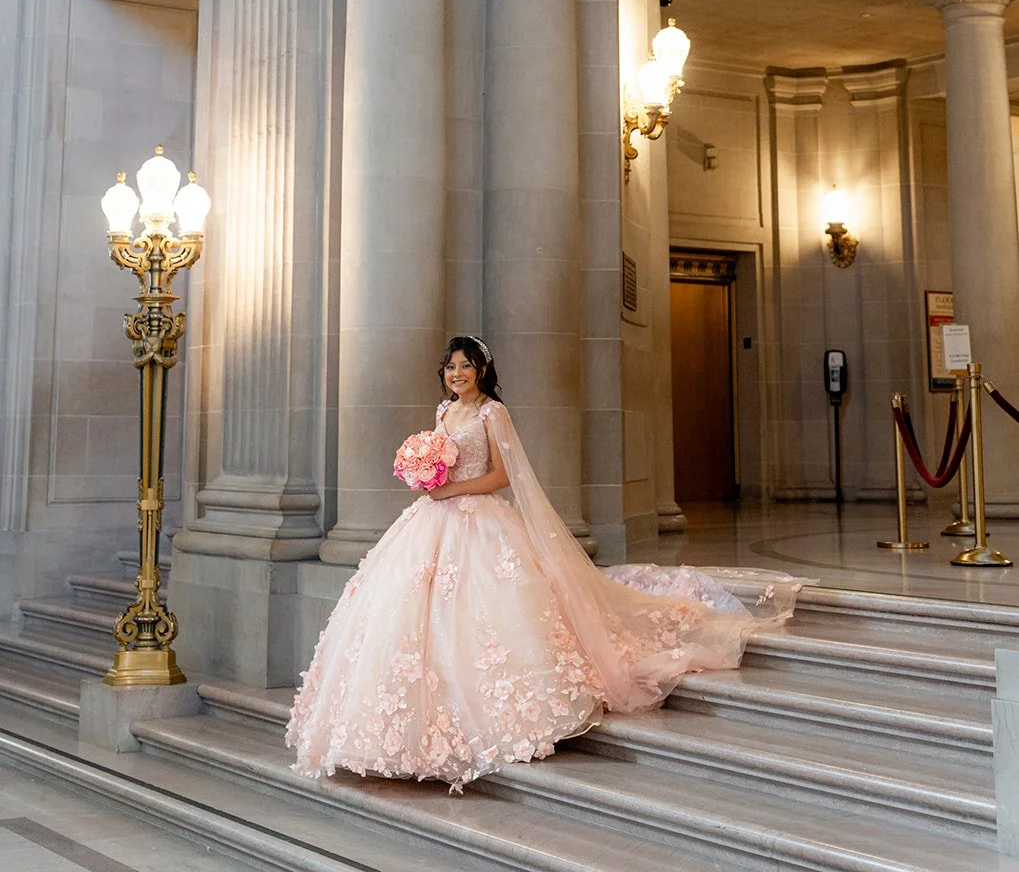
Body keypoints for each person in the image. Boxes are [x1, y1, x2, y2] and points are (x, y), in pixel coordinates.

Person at [286, 335, 800, 791]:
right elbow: (440, 461)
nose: (457, 374)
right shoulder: (444, 413)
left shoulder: (492, 414)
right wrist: (426, 480)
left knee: (494, 610)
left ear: (482, 371)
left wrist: (450, 488)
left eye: (465, 366)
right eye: (450, 367)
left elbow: (500, 477)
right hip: (432, 519)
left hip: (478, 519)